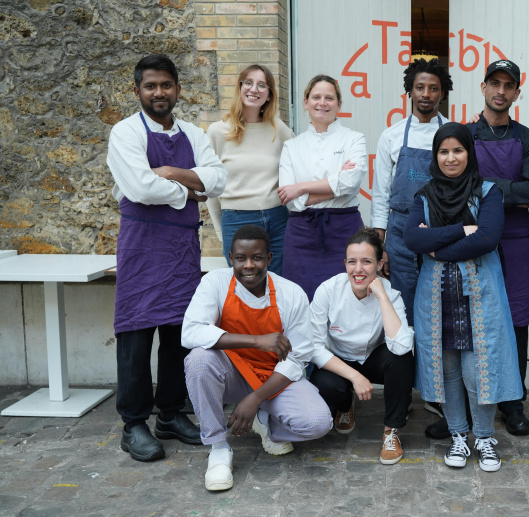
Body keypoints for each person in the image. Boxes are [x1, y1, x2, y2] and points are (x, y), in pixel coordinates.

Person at [106, 53, 227, 463]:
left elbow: (219, 178)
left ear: (177, 88)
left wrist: (173, 173)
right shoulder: (125, 133)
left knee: (179, 334)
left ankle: (171, 414)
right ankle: (134, 424)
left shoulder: (193, 133)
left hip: (181, 249)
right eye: (150, 86)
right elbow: (140, 188)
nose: (159, 92)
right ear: (137, 90)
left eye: (166, 85)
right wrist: (191, 192)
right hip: (141, 247)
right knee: (137, 336)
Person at [404, 122, 522, 473]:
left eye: (458, 150)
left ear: (469, 153)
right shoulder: (423, 196)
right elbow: (413, 239)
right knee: (447, 371)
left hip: (479, 300)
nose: (451, 157)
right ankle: (458, 435)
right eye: (443, 151)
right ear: (435, 156)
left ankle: (484, 437)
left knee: (477, 371)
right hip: (437, 300)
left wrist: (438, 247)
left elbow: (487, 238)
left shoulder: (488, 192)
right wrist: (460, 229)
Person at [181, 225, 333, 491]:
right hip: (231, 374)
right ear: (231, 258)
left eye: (257, 258)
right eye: (241, 258)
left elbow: (297, 359)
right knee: (198, 360)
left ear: (269, 258)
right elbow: (190, 332)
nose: (248, 265)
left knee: (317, 423)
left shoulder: (291, 293)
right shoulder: (215, 282)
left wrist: (256, 398)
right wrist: (256, 341)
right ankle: (218, 447)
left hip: (275, 378)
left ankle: (265, 421)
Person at [468, 59, 529, 437]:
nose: (500, 91)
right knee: (473, 315)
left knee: (516, 318)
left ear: (516, 92)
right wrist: (504, 191)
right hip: (473, 236)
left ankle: (514, 402)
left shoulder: (528, 138)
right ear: (483, 88)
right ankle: (472, 397)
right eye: (493, 83)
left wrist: (484, 187)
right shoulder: (464, 134)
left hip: (513, 239)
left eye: (507, 85)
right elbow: (459, 187)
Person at [308, 227, 415, 465]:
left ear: (379, 264)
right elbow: (314, 347)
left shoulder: (390, 294)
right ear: (344, 263)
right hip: (340, 361)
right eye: (352, 262)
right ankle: (345, 405)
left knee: (401, 360)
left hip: (374, 357)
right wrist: (355, 377)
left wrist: (382, 297)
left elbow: (401, 346)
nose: (358, 269)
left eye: (367, 262)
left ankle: (391, 431)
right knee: (325, 384)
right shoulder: (328, 290)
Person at [372, 58, 452, 325]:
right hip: (400, 231)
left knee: (440, 308)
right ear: (410, 90)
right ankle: (406, 364)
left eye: (433, 88)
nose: (426, 94)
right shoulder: (392, 136)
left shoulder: (453, 133)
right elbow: (381, 194)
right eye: (420, 87)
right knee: (403, 308)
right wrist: (379, 246)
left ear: (442, 93)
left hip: (441, 229)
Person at [278, 75, 367, 301]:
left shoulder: (355, 139)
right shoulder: (291, 146)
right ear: (306, 102)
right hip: (301, 235)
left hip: (345, 230)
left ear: (339, 104)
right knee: (299, 299)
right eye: (316, 97)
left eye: (329, 98)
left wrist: (301, 187)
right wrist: (336, 184)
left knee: (346, 299)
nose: (322, 103)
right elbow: (290, 199)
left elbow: (351, 182)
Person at [206, 64, 296, 275]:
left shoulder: (278, 129)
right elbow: (210, 188)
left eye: (262, 85)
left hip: (277, 219)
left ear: (269, 95)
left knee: (277, 285)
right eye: (249, 83)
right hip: (237, 220)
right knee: (245, 285)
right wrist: (221, 231)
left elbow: (301, 164)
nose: (254, 89)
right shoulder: (218, 131)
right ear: (239, 88)